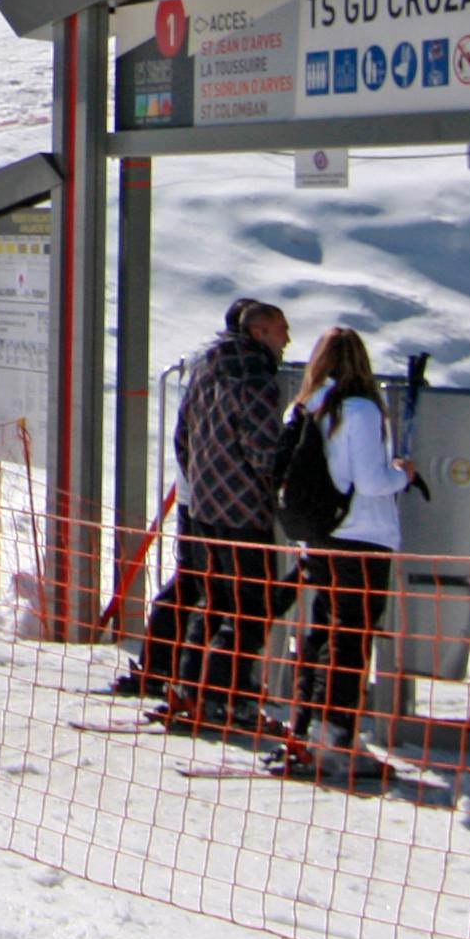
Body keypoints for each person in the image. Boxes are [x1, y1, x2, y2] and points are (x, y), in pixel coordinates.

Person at [125, 299, 288, 728]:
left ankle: (185, 685)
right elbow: (264, 450)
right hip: (245, 509)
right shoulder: (256, 378)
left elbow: (183, 435)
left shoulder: (206, 369)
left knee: (209, 596)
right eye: (280, 330)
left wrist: (202, 481)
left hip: (204, 503)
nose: (287, 339)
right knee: (250, 606)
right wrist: (279, 483)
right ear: (258, 333)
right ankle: (221, 695)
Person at [285, 325, 413, 779]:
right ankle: (338, 733)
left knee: (320, 631)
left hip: (317, 536)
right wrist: (403, 474)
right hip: (362, 536)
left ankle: (304, 728)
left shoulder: (304, 406)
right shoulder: (357, 410)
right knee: (351, 636)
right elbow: (372, 482)